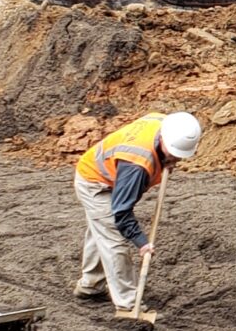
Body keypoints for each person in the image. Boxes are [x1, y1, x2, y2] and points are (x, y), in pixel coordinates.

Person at [73, 111, 202, 310]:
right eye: (173, 155)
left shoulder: (164, 123)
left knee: (101, 228)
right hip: (94, 182)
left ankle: (91, 285)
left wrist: (166, 159)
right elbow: (122, 213)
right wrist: (141, 243)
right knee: (113, 239)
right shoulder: (136, 165)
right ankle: (128, 305)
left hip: (110, 171)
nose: (176, 159)